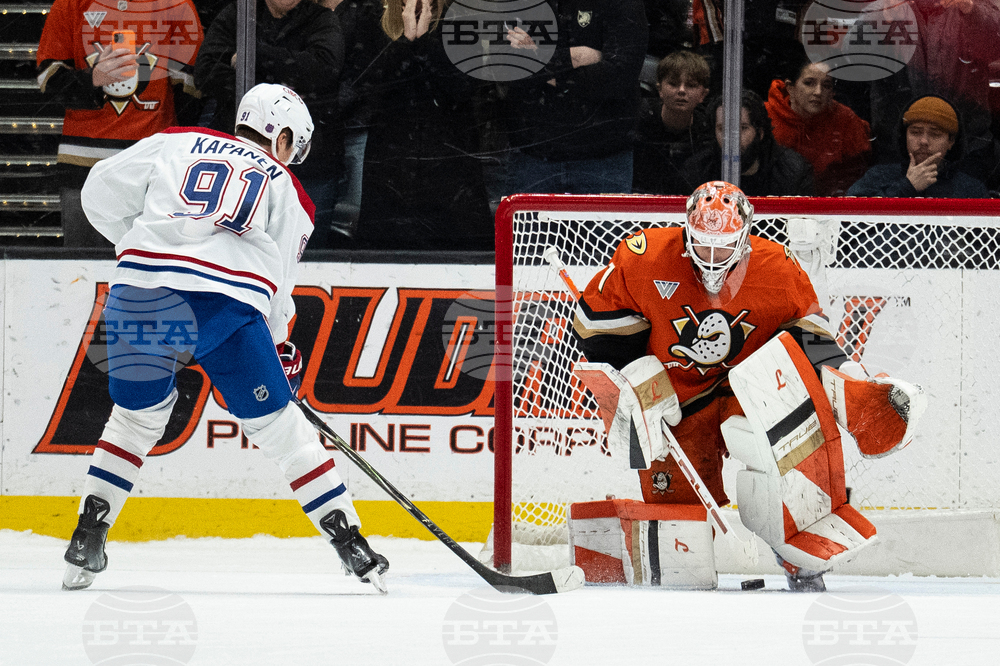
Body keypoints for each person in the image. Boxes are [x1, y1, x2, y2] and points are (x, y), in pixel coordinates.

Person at [61, 84, 389, 593]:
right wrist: (279, 344)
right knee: (282, 431)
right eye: (292, 147)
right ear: (281, 138)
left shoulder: (177, 139)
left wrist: (140, 241)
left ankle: (87, 538)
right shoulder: (287, 187)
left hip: (139, 292)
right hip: (222, 304)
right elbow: (278, 282)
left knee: (133, 421)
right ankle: (354, 548)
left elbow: (97, 190)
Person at [571, 180, 924, 591]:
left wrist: (844, 378)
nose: (712, 259)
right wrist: (630, 370)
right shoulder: (644, 256)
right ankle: (679, 581)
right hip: (677, 399)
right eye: (702, 246)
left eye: (724, 248)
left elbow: (810, 336)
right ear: (686, 233)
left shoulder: (777, 266)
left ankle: (797, 552)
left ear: (746, 237)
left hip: (750, 390)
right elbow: (595, 323)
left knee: (781, 447)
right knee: (677, 513)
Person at [36, 0, 203, 247]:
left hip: (151, 170)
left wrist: (167, 151)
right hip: (84, 164)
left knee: (150, 269)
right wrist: (93, 79)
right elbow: (48, 77)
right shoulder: (71, 3)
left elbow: (193, 87)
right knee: (83, 273)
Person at [194, 0, 344, 238]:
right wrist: (282, 81)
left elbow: (321, 72)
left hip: (304, 164)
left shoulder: (321, 19)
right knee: (232, 246)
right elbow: (206, 73)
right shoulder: (238, 13)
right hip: (238, 162)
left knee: (306, 253)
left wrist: (248, 54)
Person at [501, 0, 648, 196]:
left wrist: (538, 57)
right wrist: (580, 56)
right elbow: (507, 66)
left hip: (605, 156)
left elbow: (619, 75)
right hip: (533, 155)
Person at [847, 95, 989, 198]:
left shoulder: (971, 190)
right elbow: (848, 228)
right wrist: (907, 186)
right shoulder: (879, 177)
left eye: (935, 134)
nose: (924, 141)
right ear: (905, 136)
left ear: (951, 141)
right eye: (915, 132)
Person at [766, 59, 871, 196]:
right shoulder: (765, 116)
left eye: (826, 85)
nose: (818, 92)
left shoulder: (846, 120)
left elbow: (858, 176)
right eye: (809, 83)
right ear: (790, 87)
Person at [685, 90, 815, 196]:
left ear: (760, 133)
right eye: (723, 129)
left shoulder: (794, 173)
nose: (731, 138)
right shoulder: (696, 171)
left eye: (742, 128)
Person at [632, 50, 714, 195]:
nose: (681, 91)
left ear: (703, 94)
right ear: (660, 89)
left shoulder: (708, 131)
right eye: (673, 84)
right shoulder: (637, 121)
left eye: (691, 85)